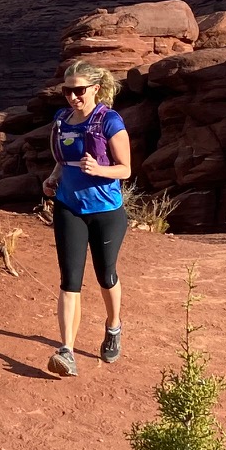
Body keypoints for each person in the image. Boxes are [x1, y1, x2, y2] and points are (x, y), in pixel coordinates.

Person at [41, 58, 133, 377]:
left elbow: (125, 168)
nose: (72, 97)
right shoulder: (61, 120)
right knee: (70, 280)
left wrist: (100, 170)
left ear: (95, 88)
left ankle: (113, 325)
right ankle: (66, 350)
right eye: (67, 91)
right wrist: (52, 179)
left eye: (79, 91)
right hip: (69, 207)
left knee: (105, 275)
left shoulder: (109, 121)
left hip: (106, 211)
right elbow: (63, 161)